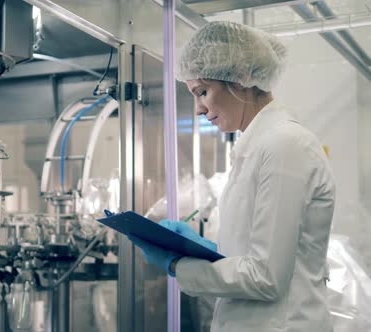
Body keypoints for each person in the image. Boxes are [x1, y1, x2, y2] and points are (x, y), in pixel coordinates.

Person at [130, 21, 335, 331]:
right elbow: (258, 257)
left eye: (203, 92)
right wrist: (210, 253)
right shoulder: (257, 147)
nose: (198, 109)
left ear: (240, 79)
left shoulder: (284, 145)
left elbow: (265, 277)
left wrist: (178, 265)